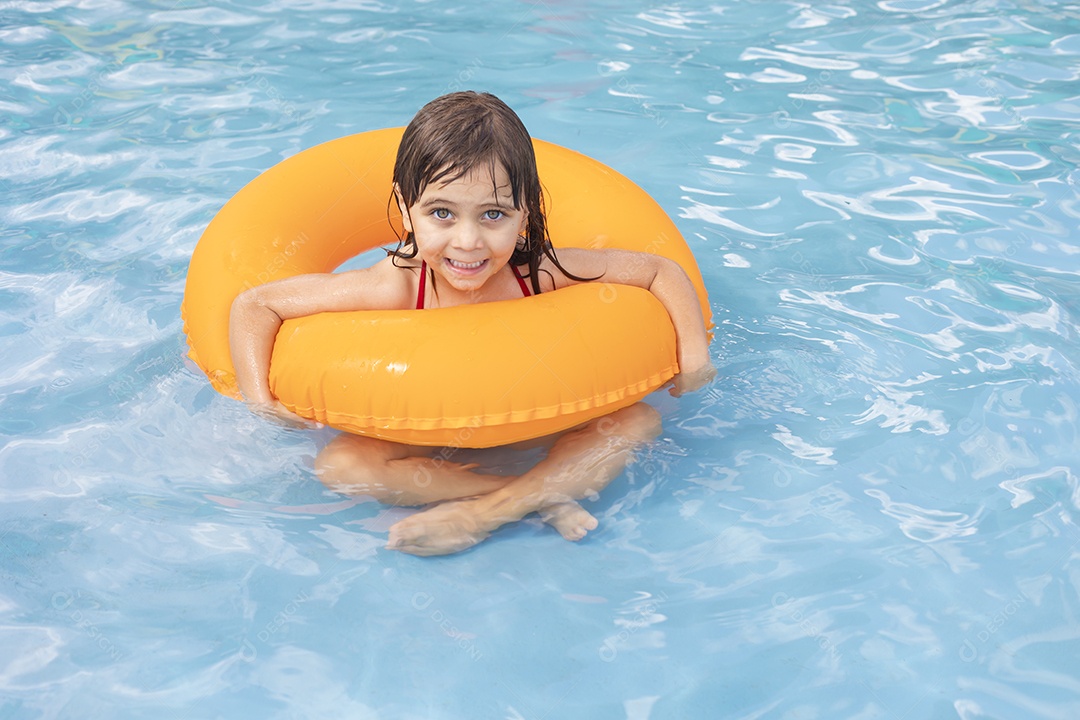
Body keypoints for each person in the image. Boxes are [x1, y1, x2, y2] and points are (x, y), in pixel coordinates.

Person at [229, 91, 714, 556]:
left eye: (493, 215)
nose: (467, 241)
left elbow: (658, 270)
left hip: (542, 423)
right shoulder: (396, 285)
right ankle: (529, 496)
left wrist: (695, 358)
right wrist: (260, 399)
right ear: (405, 208)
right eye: (441, 213)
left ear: (525, 213)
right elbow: (256, 306)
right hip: (426, 436)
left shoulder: (539, 272)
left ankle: (483, 514)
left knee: (635, 421)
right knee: (341, 465)